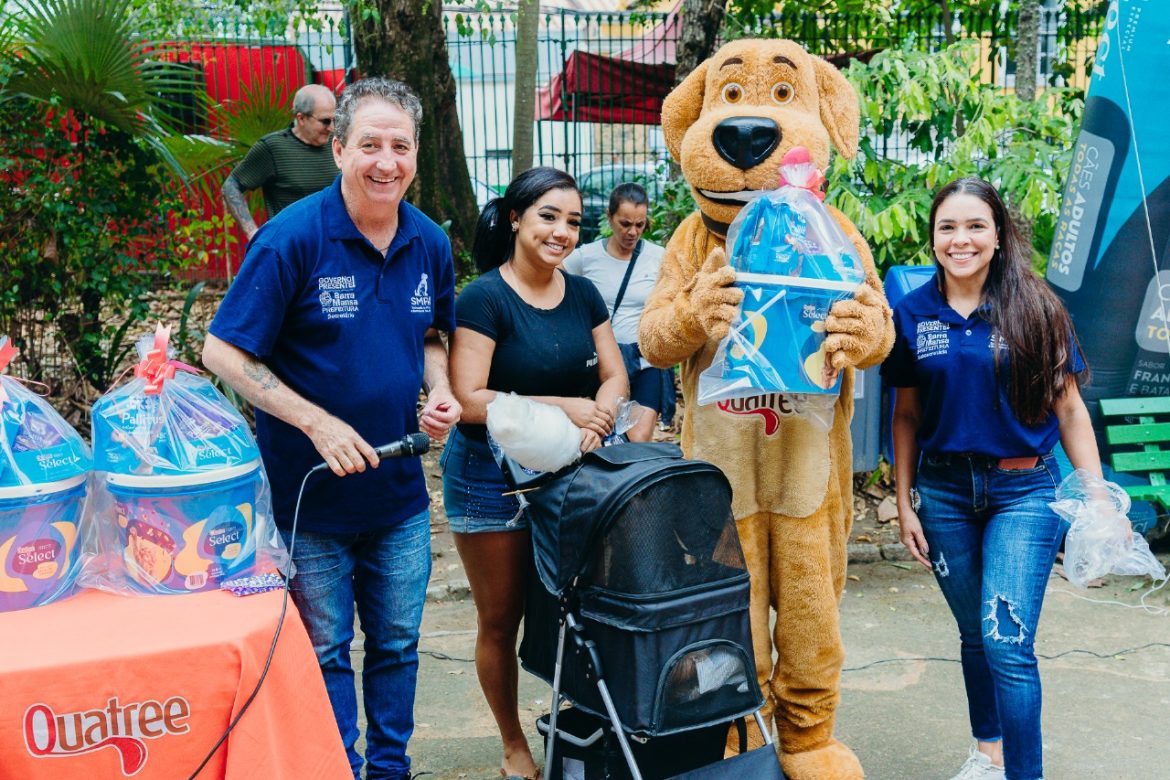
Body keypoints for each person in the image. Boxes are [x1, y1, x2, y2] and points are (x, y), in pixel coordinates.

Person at [202, 77, 461, 780]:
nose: (386, 161)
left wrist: (437, 390)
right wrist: (315, 422)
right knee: (321, 650)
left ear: (416, 154)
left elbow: (435, 334)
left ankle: (388, 769)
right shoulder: (292, 238)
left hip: (400, 496)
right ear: (339, 147)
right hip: (308, 498)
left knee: (399, 646)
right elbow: (221, 349)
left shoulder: (429, 240)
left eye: (400, 146)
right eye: (369, 144)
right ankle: (334, 769)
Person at [882, 177, 1106, 780]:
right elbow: (906, 413)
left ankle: (1022, 774)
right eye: (947, 227)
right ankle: (988, 753)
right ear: (932, 239)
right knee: (974, 633)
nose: (961, 239)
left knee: (1007, 642)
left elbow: (1070, 411)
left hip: (1024, 491)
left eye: (976, 226)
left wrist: (1097, 504)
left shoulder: (1038, 308)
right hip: (944, 494)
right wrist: (904, 502)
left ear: (1000, 235)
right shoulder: (911, 311)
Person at [443, 166, 628, 780]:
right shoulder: (483, 298)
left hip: (571, 476)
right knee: (502, 617)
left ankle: (576, 721)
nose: (562, 232)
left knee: (576, 607)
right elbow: (468, 397)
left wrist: (602, 411)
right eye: (549, 216)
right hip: (487, 477)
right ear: (516, 218)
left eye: (574, 221)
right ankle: (512, 741)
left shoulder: (581, 294)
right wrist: (566, 407)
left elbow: (615, 373)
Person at [563, 182, 675, 441]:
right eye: (625, 224)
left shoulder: (659, 257)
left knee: (638, 437)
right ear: (609, 217)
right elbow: (552, 280)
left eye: (640, 224)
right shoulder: (585, 258)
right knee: (603, 433)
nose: (633, 232)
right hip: (604, 361)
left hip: (644, 359)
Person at [221, 83, 340, 240]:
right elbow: (231, 187)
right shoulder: (273, 147)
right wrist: (252, 233)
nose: (331, 127)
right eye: (325, 121)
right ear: (301, 118)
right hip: (290, 249)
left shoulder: (338, 144)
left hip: (336, 247)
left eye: (335, 120)